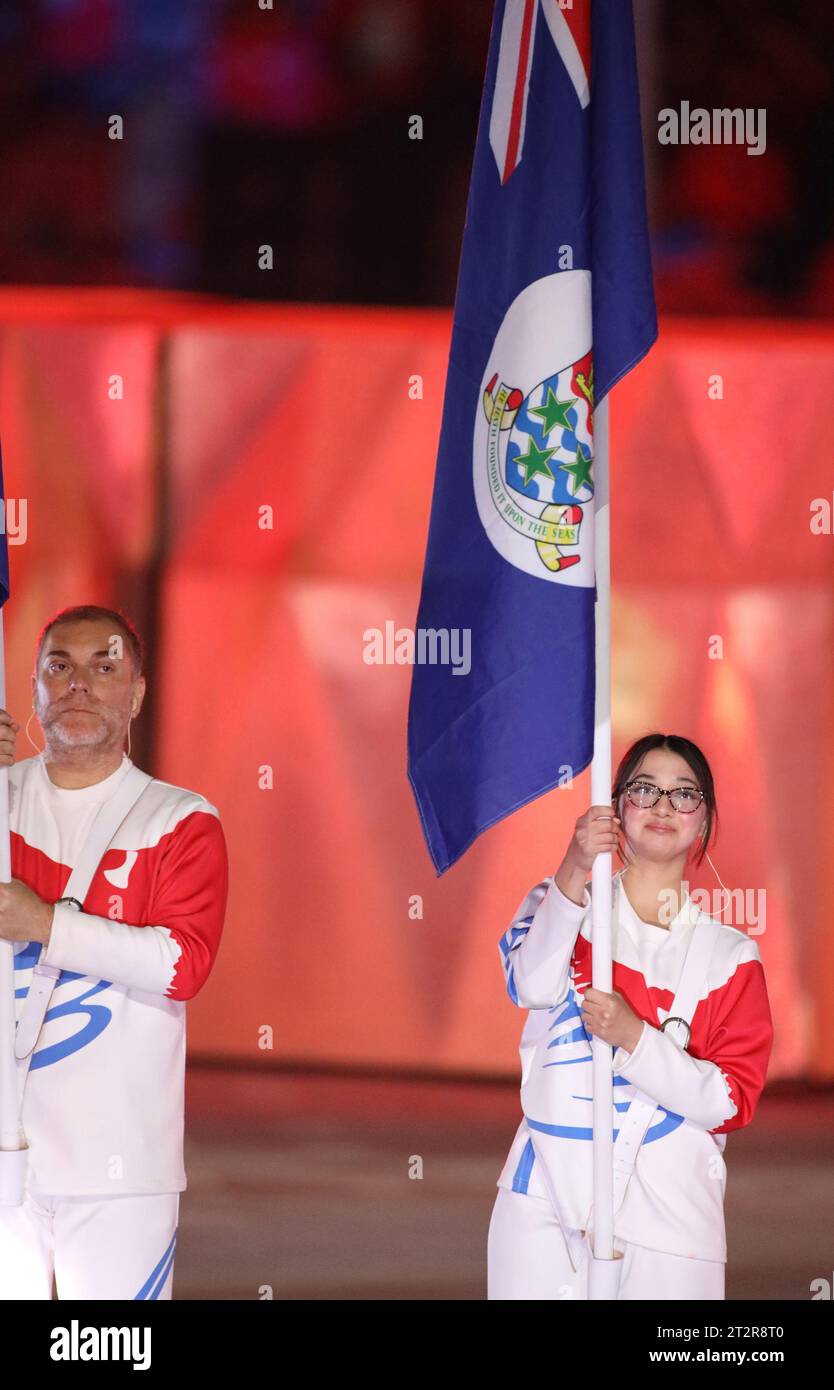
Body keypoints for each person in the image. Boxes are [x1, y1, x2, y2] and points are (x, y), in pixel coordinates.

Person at [487, 732, 774, 1301]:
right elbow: (531, 984)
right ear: (616, 806)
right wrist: (573, 867)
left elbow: (729, 1102)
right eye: (645, 790)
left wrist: (635, 1039)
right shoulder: (565, 904)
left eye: (684, 794)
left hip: (672, 1226)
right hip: (544, 1205)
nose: (664, 807)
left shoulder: (730, 956)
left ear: (705, 818)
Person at [0, 604, 229, 1300]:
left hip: (119, 1169)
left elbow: (181, 965)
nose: (79, 686)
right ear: (34, 687)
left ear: (135, 695)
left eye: (104, 668)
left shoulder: (181, 819)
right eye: (59, 667)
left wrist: (46, 924)